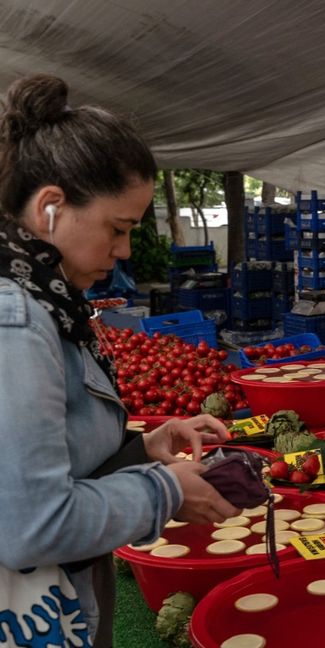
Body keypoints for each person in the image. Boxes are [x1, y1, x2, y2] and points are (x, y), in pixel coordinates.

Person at [0, 74, 240, 646]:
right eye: (118, 228)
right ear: (51, 208)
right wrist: (167, 492)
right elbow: (31, 525)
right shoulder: (18, 318)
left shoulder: (41, 296)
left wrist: (141, 449)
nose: (126, 250)